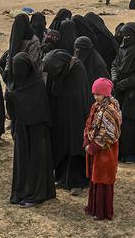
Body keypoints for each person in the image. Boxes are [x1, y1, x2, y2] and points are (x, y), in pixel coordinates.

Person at [7, 52, 55, 208]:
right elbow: (13, 112)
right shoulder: (17, 85)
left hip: (37, 131)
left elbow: (38, 110)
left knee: (36, 162)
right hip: (22, 129)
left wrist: (13, 98)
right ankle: (23, 191)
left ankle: (36, 193)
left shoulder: (37, 85)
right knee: (23, 162)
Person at [42, 49, 93, 195]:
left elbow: (76, 97)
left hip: (76, 118)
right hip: (62, 118)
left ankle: (77, 182)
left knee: (75, 148)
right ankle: (61, 178)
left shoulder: (76, 68)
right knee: (62, 146)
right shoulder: (59, 70)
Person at [111, 23, 135, 162]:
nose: (125, 38)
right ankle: (121, 151)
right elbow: (115, 64)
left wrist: (124, 84)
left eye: (128, 35)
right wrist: (115, 78)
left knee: (132, 122)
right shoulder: (123, 47)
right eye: (124, 35)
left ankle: (133, 153)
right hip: (120, 90)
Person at [84, 78, 122, 221]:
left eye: (99, 94)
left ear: (106, 94)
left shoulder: (110, 110)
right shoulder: (96, 106)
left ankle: (102, 211)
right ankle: (93, 208)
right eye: (94, 94)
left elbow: (108, 133)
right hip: (97, 150)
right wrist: (86, 139)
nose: (96, 97)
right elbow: (89, 123)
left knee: (103, 179)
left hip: (106, 151)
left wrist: (93, 147)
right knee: (95, 178)